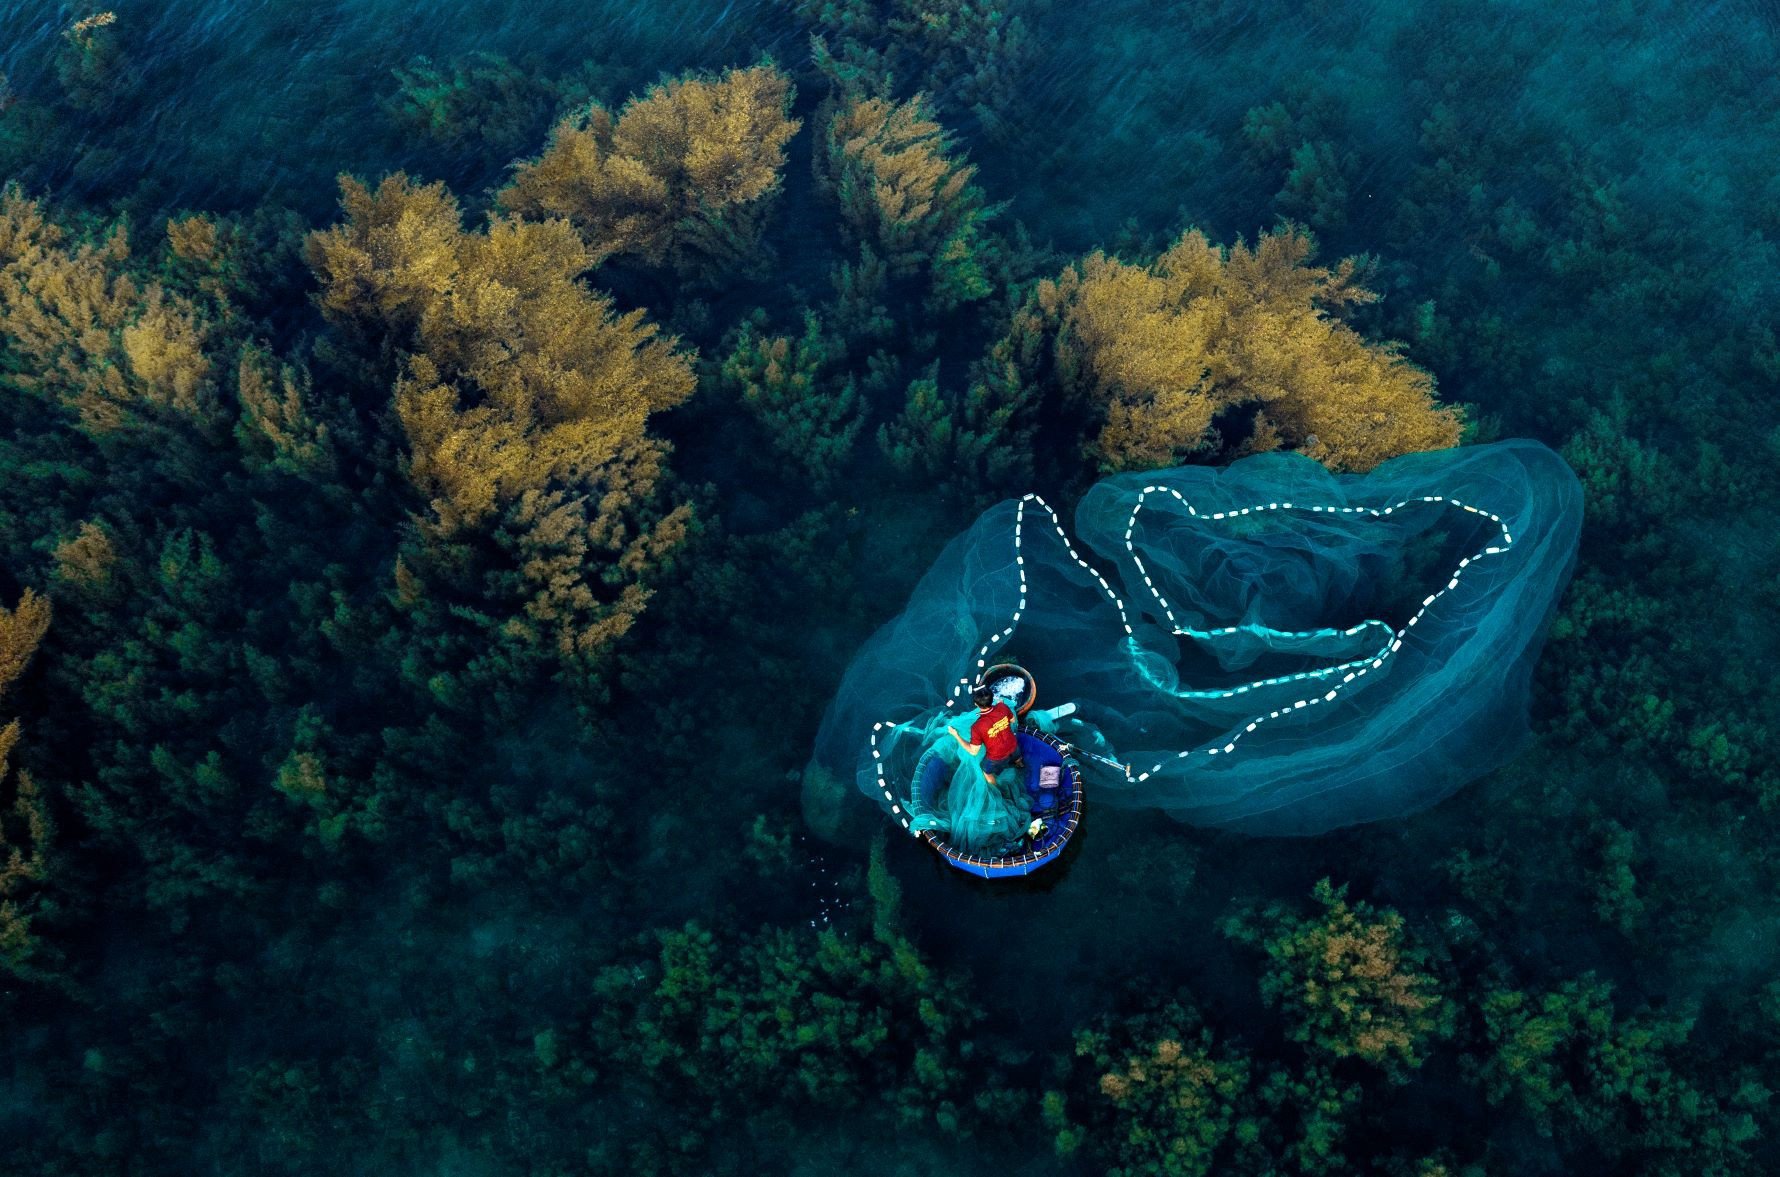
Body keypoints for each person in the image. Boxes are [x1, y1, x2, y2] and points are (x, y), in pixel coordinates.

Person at [948, 684, 1027, 784]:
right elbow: (1013, 720)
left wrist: (956, 735)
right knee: (1017, 755)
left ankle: (996, 792)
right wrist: (1001, 706)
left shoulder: (977, 727)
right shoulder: (1002, 707)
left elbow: (973, 751)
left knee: (986, 772)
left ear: (976, 705)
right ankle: (1019, 764)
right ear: (992, 699)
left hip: (996, 757)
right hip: (1013, 745)